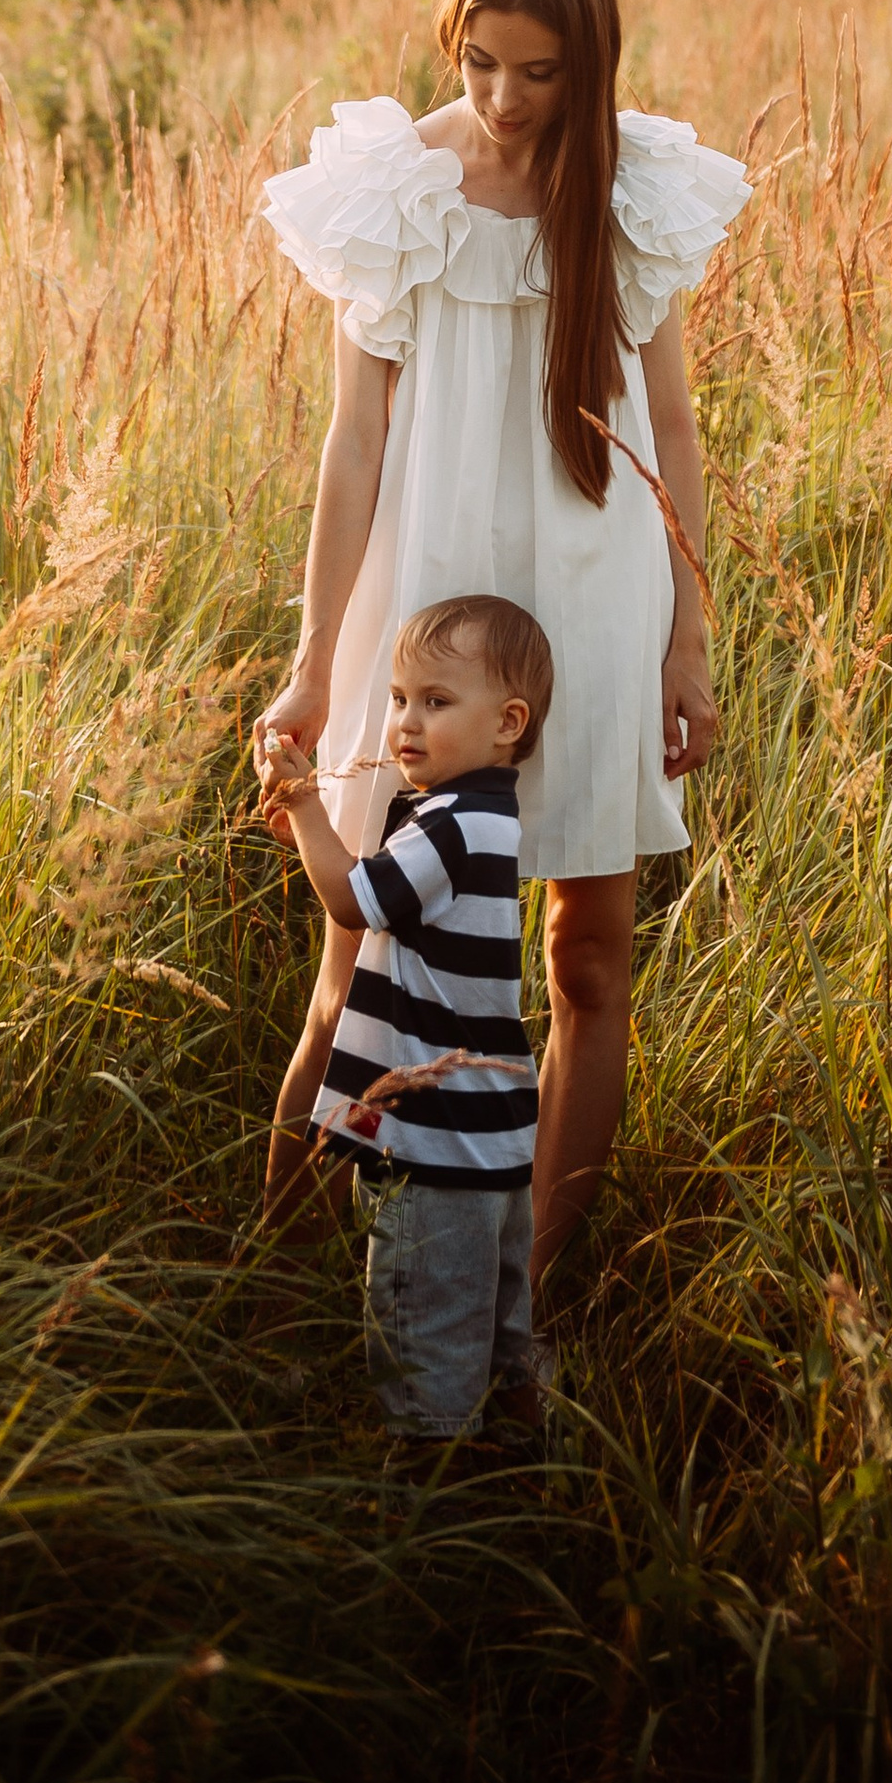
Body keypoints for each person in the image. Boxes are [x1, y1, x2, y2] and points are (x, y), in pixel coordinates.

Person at [251, 0, 750, 1303]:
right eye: (480, 62)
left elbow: (673, 429)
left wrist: (687, 640)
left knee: (589, 958)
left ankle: (522, 1290)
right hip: (425, 600)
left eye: (538, 70)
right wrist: (314, 660)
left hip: (593, 597)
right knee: (361, 948)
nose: (505, 97)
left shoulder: (632, 188)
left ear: (589, 59)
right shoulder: (395, 186)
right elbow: (354, 443)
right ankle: (280, 1279)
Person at [258, 593, 551, 1444]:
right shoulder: (482, 817)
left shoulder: (452, 827)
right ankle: (519, 1464)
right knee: (497, 1332)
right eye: (397, 697)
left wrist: (307, 805)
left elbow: (354, 902)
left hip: (437, 1150)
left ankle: (426, 1492)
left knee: (426, 1344)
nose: (406, 721)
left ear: (508, 722)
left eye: (436, 700)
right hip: (493, 1143)